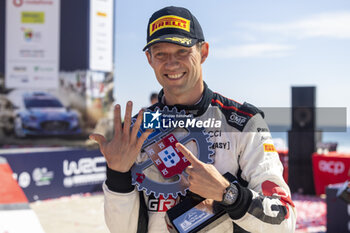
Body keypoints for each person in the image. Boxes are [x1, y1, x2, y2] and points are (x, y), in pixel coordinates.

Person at [90, 6, 296, 233]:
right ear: (149, 59)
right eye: (160, 54)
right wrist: (117, 175)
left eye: (182, 51)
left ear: (204, 52)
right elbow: (122, 230)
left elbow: (285, 222)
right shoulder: (134, 132)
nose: (171, 63)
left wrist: (228, 194)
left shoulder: (243, 124)